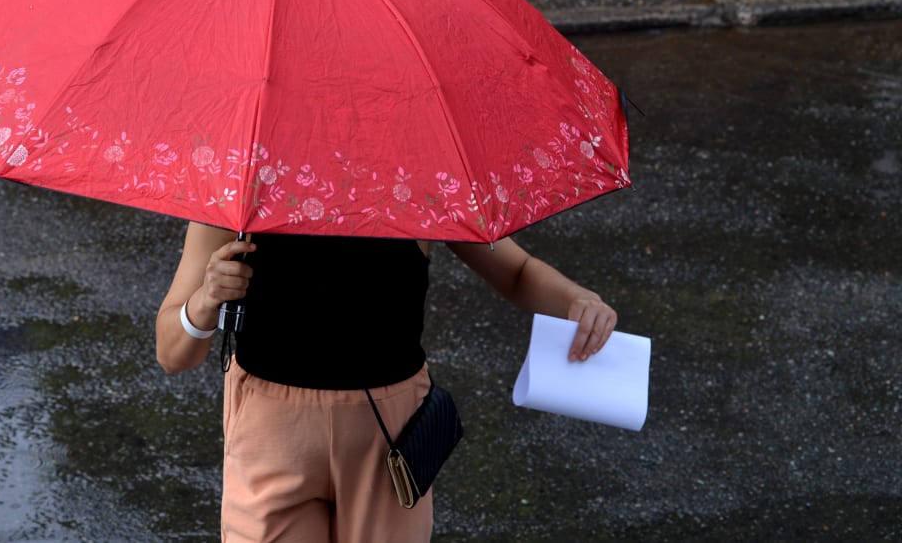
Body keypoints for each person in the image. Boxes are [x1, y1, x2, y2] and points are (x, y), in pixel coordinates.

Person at [156, 221, 617, 542]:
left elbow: (516, 271)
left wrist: (576, 300)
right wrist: (205, 301)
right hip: (273, 434)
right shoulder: (241, 190)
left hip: (387, 439)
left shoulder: (416, 181)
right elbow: (172, 352)